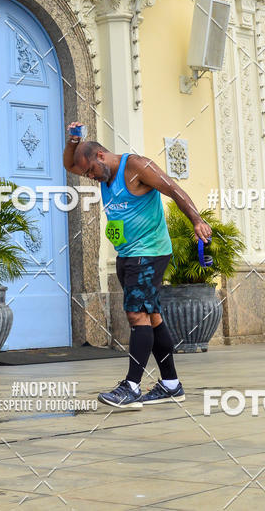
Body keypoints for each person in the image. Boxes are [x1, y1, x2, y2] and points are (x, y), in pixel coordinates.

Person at [63, 122, 212, 409]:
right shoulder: (100, 172)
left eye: (91, 171)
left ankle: (131, 388)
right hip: (128, 255)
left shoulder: (136, 167)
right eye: (87, 174)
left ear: (101, 156)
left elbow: (173, 189)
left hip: (149, 253)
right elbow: (70, 164)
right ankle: (171, 384)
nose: (90, 177)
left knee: (136, 314)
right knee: (152, 316)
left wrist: (197, 220)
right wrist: (72, 141)